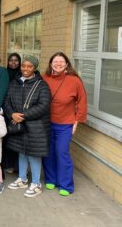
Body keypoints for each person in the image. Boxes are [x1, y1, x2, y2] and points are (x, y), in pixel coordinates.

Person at [3, 55, 51, 198]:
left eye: (29, 66)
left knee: (33, 154)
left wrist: (22, 116)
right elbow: (6, 101)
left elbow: (43, 106)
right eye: (24, 66)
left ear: (34, 68)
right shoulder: (14, 83)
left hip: (35, 126)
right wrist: (12, 115)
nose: (25, 69)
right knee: (21, 152)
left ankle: (36, 184)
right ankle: (22, 179)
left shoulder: (41, 85)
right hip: (18, 124)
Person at [42, 52, 87, 196]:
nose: (58, 64)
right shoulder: (45, 78)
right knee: (48, 152)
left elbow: (82, 101)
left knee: (62, 152)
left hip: (65, 123)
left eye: (61, 61)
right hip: (46, 122)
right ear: (51, 64)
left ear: (67, 64)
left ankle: (66, 185)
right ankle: (51, 179)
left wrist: (76, 121)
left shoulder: (74, 81)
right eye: (55, 61)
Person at [3, 53, 22, 174]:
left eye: (16, 60)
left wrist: (17, 114)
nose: (13, 63)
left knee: (17, 140)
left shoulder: (22, 75)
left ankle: (17, 166)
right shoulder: (5, 74)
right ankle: (7, 164)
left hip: (19, 112)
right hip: (6, 110)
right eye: (11, 60)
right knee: (7, 139)